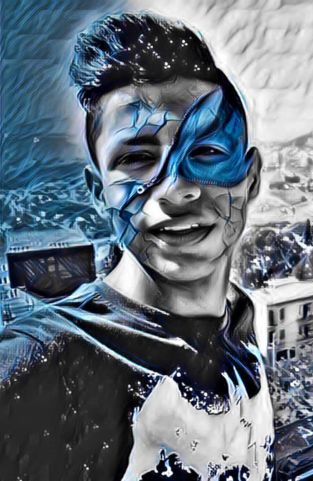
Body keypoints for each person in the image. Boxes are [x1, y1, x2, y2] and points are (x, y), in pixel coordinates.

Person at [0, 12, 274, 481]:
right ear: (98, 192)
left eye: (206, 152)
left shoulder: (241, 324)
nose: (176, 188)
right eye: (137, 158)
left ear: (250, 180)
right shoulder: (44, 366)